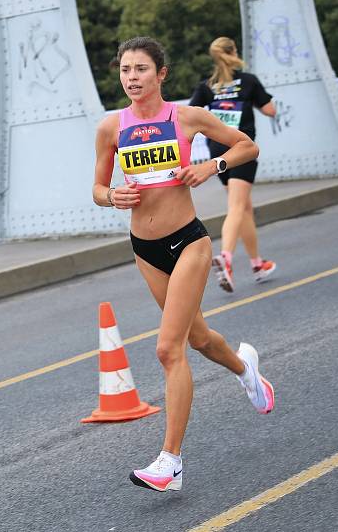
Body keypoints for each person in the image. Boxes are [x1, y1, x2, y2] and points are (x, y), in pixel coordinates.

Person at [92, 36, 274, 493]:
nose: (131, 78)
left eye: (140, 70)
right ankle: (245, 369)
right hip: (144, 247)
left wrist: (210, 168)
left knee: (167, 349)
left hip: (188, 242)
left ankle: (170, 462)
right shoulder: (111, 127)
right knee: (197, 339)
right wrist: (113, 195)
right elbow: (96, 188)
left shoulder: (186, 117)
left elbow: (246, 146)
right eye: (125, 70)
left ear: (161, 74)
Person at [190, 36, 277, 293]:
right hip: (241, 149)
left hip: (217, 148)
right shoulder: (248, 81)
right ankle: (226, 257)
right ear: (234, 52)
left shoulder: (207, 86)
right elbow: (270, 109)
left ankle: (257, 263)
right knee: (237, 206)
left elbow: (192, 114)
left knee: (244, 207)